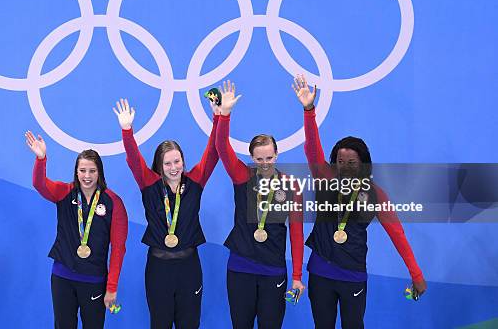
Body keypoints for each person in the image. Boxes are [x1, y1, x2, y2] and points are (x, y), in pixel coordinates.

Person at [292, 74, 427, 329]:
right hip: (320, 273)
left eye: (351, 163)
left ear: (363, 164)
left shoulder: (375, 194)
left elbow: (397, 233)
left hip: (353, 274)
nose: (345, 168)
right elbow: (311, 148)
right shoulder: (324, 178)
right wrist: (309, 110)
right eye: (340, 162)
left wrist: (416, 274)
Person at [113, 98, 219, 329]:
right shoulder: (149, 184)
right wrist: (127, 131)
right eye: (167, 163)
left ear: (183, 161)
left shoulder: (195, 181)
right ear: (159, 166)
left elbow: (213, 153)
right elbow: (133, 159)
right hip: (158, 269)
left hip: (189, 268)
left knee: (189, 324)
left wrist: (219, 118)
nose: (174, 168)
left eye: (177, 161)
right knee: (159, 324)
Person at [215, 80, 305, 329]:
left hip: (273, 271)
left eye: (269, 157)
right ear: (251, 158)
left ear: (277, 155)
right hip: (240, 268)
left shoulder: (291, 186)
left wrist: (297, 276)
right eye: (259, 158)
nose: (265, 163)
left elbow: (296, 234)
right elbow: (221, 147)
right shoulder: (243, 176)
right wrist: (225, 114)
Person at [25, 131, 128, 329]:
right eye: (82, 171)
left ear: (100, 172)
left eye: (92, 171)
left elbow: (118, 248)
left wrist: (112, 287)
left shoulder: (113, 202)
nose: (87, 176)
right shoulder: (65, 192)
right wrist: (41, 159)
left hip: (94, 280)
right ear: (76, 171)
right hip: (62, 278)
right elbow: (40, 184)